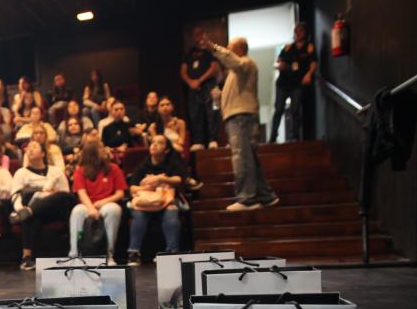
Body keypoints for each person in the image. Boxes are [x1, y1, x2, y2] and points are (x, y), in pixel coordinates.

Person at [200, 34, 279, 211]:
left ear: (239, 49)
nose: (227, 51)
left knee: (242, 157)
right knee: (249, 157)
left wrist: (214, 47)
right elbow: (233, 96)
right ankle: (266, 196)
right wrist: (219, 97)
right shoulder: (235, 73)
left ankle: (247, 199)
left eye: (230, 48)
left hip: (241, 117)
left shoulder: (246, 63)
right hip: (238, 116)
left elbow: (233, 61)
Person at [125, 135, 188, 264]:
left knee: (171, 211)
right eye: (153, 142)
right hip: (145, 203)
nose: (154, 145)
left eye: (160, 143)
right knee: (139, 215)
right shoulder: (143, 165)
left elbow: (179, 179)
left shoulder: (172, 164)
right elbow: (132, 189)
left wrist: (162, 179)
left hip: (165, 202)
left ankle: (172, 253)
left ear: (166, 149)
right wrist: (145, 187)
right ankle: (134, 253)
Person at [9, 141, 71, 270]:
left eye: (34, 146)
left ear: (43, 153)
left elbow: (66, 194)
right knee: (29, 214)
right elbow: (15, 195)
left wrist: (51, 194)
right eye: (28, 148)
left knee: (62, 196)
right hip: (36, 209)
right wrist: (19, 208)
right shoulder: (21, 173)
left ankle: (29, 211)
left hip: (55, 209)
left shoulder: (56, 171)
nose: (30, 149)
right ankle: (26, 259)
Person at [68, 140, 125, 262]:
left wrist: (103, 202)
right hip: (87, 204)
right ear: (92, 153)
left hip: (107, 202)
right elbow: (81, 193)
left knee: (113, 209)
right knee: (77, 211)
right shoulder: (80, 170)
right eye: (101, 148)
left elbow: (120, 193)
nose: (104, 150)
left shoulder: (113, 168)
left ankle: (108, 254)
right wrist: (91, 208)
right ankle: (74, 255)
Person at [270, 22, 317, 143]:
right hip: (283, 83)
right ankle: (273, 136)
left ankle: (295, 136)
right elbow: (277, 62)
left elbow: (313, 62)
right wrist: (280, 66)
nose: (297, 33)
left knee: (295, 109)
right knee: (279, 109)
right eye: (296, 31)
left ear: (305, 32)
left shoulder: (309, 47)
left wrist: (309, 74)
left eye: (300, 31)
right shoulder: (288, 47)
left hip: (297, 84)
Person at [181, 26, 222, 150]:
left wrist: (199, 80)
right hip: (193, 89)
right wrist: (191, 82)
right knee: (195, 114)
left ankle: (213, 139)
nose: (197, 37)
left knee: (212, 112)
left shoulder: (209, 51)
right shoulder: (189, 53)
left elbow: (214, 68)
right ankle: (198, 141)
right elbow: (183, 71)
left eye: (199, 34)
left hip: (209, 86)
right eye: (195, 34)